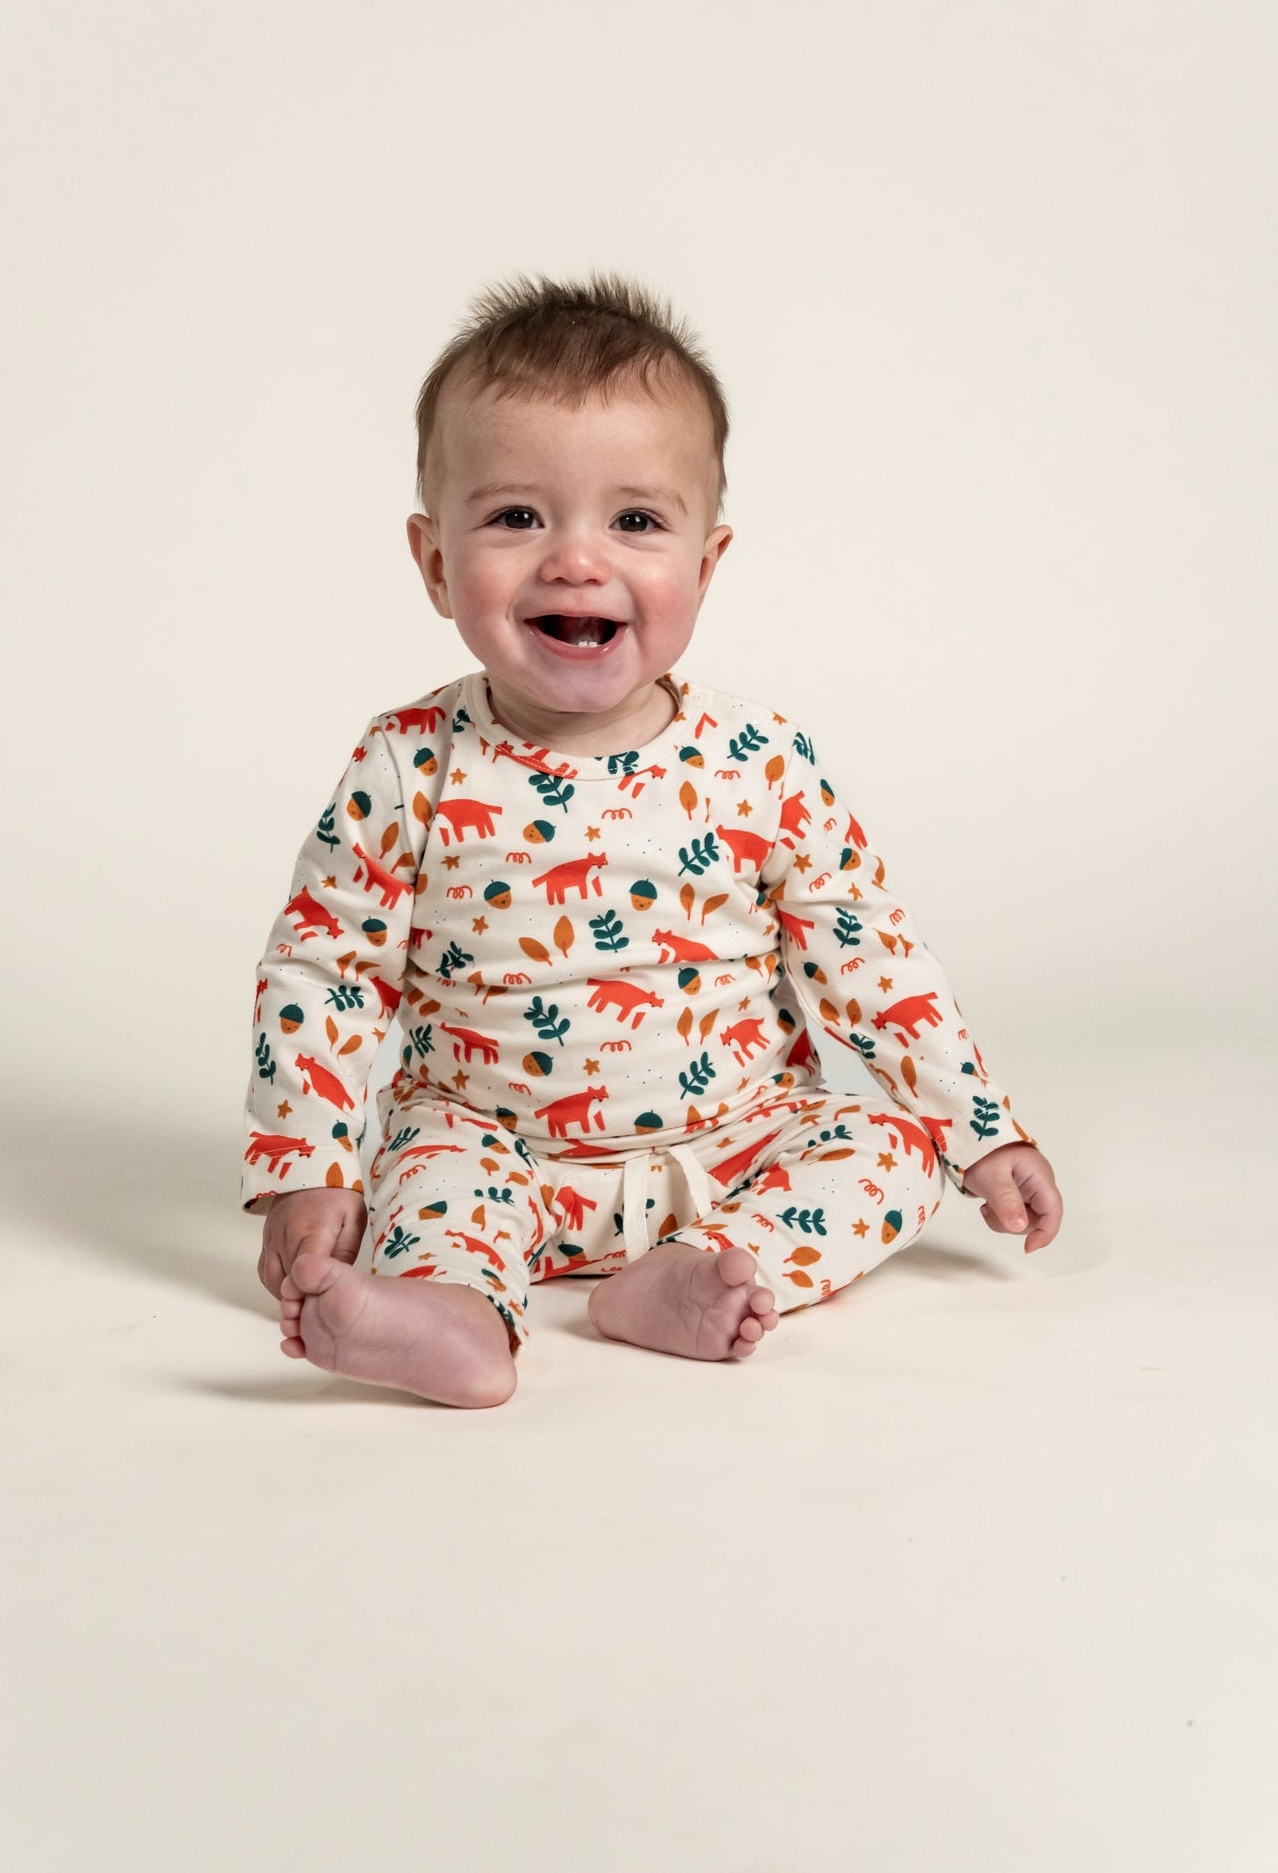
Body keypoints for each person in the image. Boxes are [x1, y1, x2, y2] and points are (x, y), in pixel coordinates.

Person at [242, 273, 1062, 1408]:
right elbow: (327, 969)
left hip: (737, 1139)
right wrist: (307, 1167)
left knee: (890, 1147)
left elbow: (870, 956)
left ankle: (699, 1275)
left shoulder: (760, 760)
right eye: (517, 516)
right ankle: (455, 1316)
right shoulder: (408, 764)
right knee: (426, 1180)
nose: (577, 560)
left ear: (705, 565)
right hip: (498, 1150)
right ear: (436, 564)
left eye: (634, 521)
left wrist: (977, 1129)